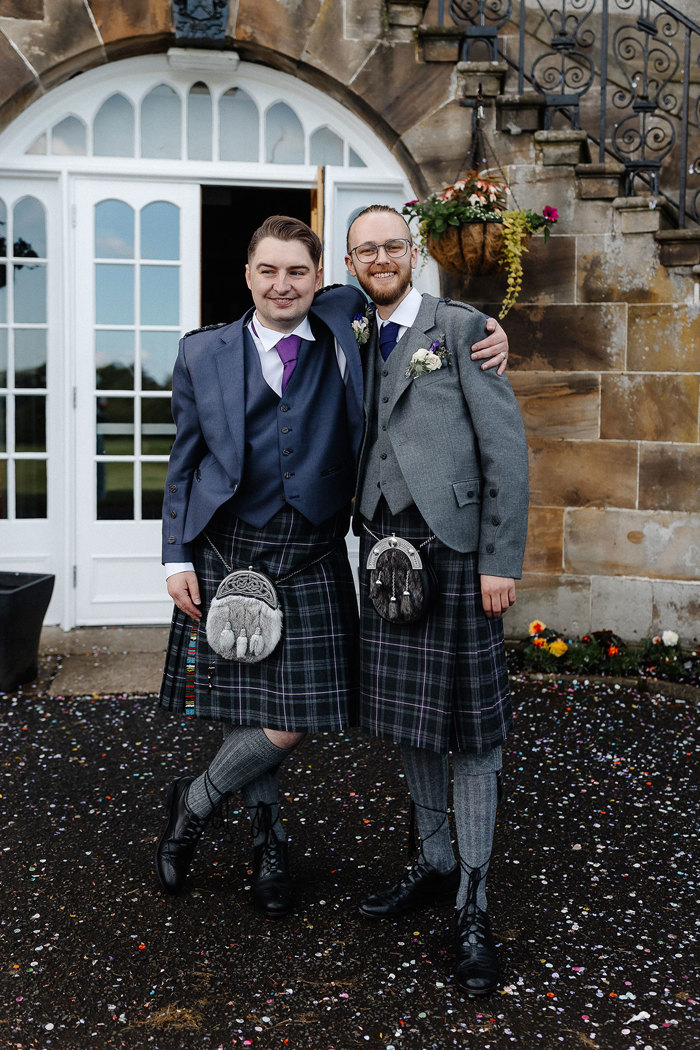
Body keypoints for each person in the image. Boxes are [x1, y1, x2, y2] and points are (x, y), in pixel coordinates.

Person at [155, 214, 510, 918]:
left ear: (324, 279)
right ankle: (266, 838)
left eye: (298, 271)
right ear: (248, 275)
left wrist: (492, 329)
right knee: (254, 704)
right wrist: (174, 556)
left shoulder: (347, 320)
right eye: (268, 270)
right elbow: (184, 462)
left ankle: (194, 801)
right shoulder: (202, 353)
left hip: (312, 548)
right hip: (226, 547)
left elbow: (422, 313)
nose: (282, 284)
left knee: (295, 713)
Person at [345, 205, 529, 996]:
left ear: (416, 251)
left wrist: (500, 559)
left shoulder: (460, 328)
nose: (380, 258)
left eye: (392, 245)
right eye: (365, 250)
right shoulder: (346, 325)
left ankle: (475, 905)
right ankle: (433, 859)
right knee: (408, 722)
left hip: (454, 554)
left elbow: (507, 450)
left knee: (473, 736)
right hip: (382, 554)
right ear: (351, 263)